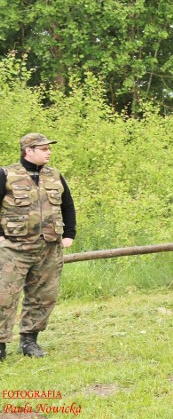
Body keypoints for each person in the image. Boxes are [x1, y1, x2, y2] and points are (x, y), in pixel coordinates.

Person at [0, 133, 77, 361]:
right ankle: (1, 345)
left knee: (43, 295)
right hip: (14, 248)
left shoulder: (55, 176)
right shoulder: (6, 174)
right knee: (4, 296)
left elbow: (68, 205)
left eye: (48, 149)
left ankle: (29, 341)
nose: (49, 152)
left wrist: (69, 234)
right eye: (43, 149)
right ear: (28, 150)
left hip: (49, 247)